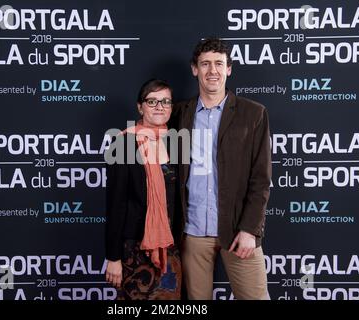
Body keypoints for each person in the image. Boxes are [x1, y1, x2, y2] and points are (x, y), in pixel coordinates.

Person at [172, 38, 271, 300]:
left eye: (219, 63)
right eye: (205, 64)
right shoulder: (179, 113)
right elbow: (150, 125)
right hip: (193, 233)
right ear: (195, 69)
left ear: (229, 69)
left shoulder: (253, 114)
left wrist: (251, 229)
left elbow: (261, 179)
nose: (212, 70)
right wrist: (129, 135)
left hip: (238, 231)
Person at [104, 79, 182, 300]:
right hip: (134, 250)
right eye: (152, 101)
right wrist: (113, 257)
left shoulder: (176, 143)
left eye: (165, 101)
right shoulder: (124, 144)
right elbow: (115, 204)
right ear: (140, 107)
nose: (160, 107)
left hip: (170, 248)